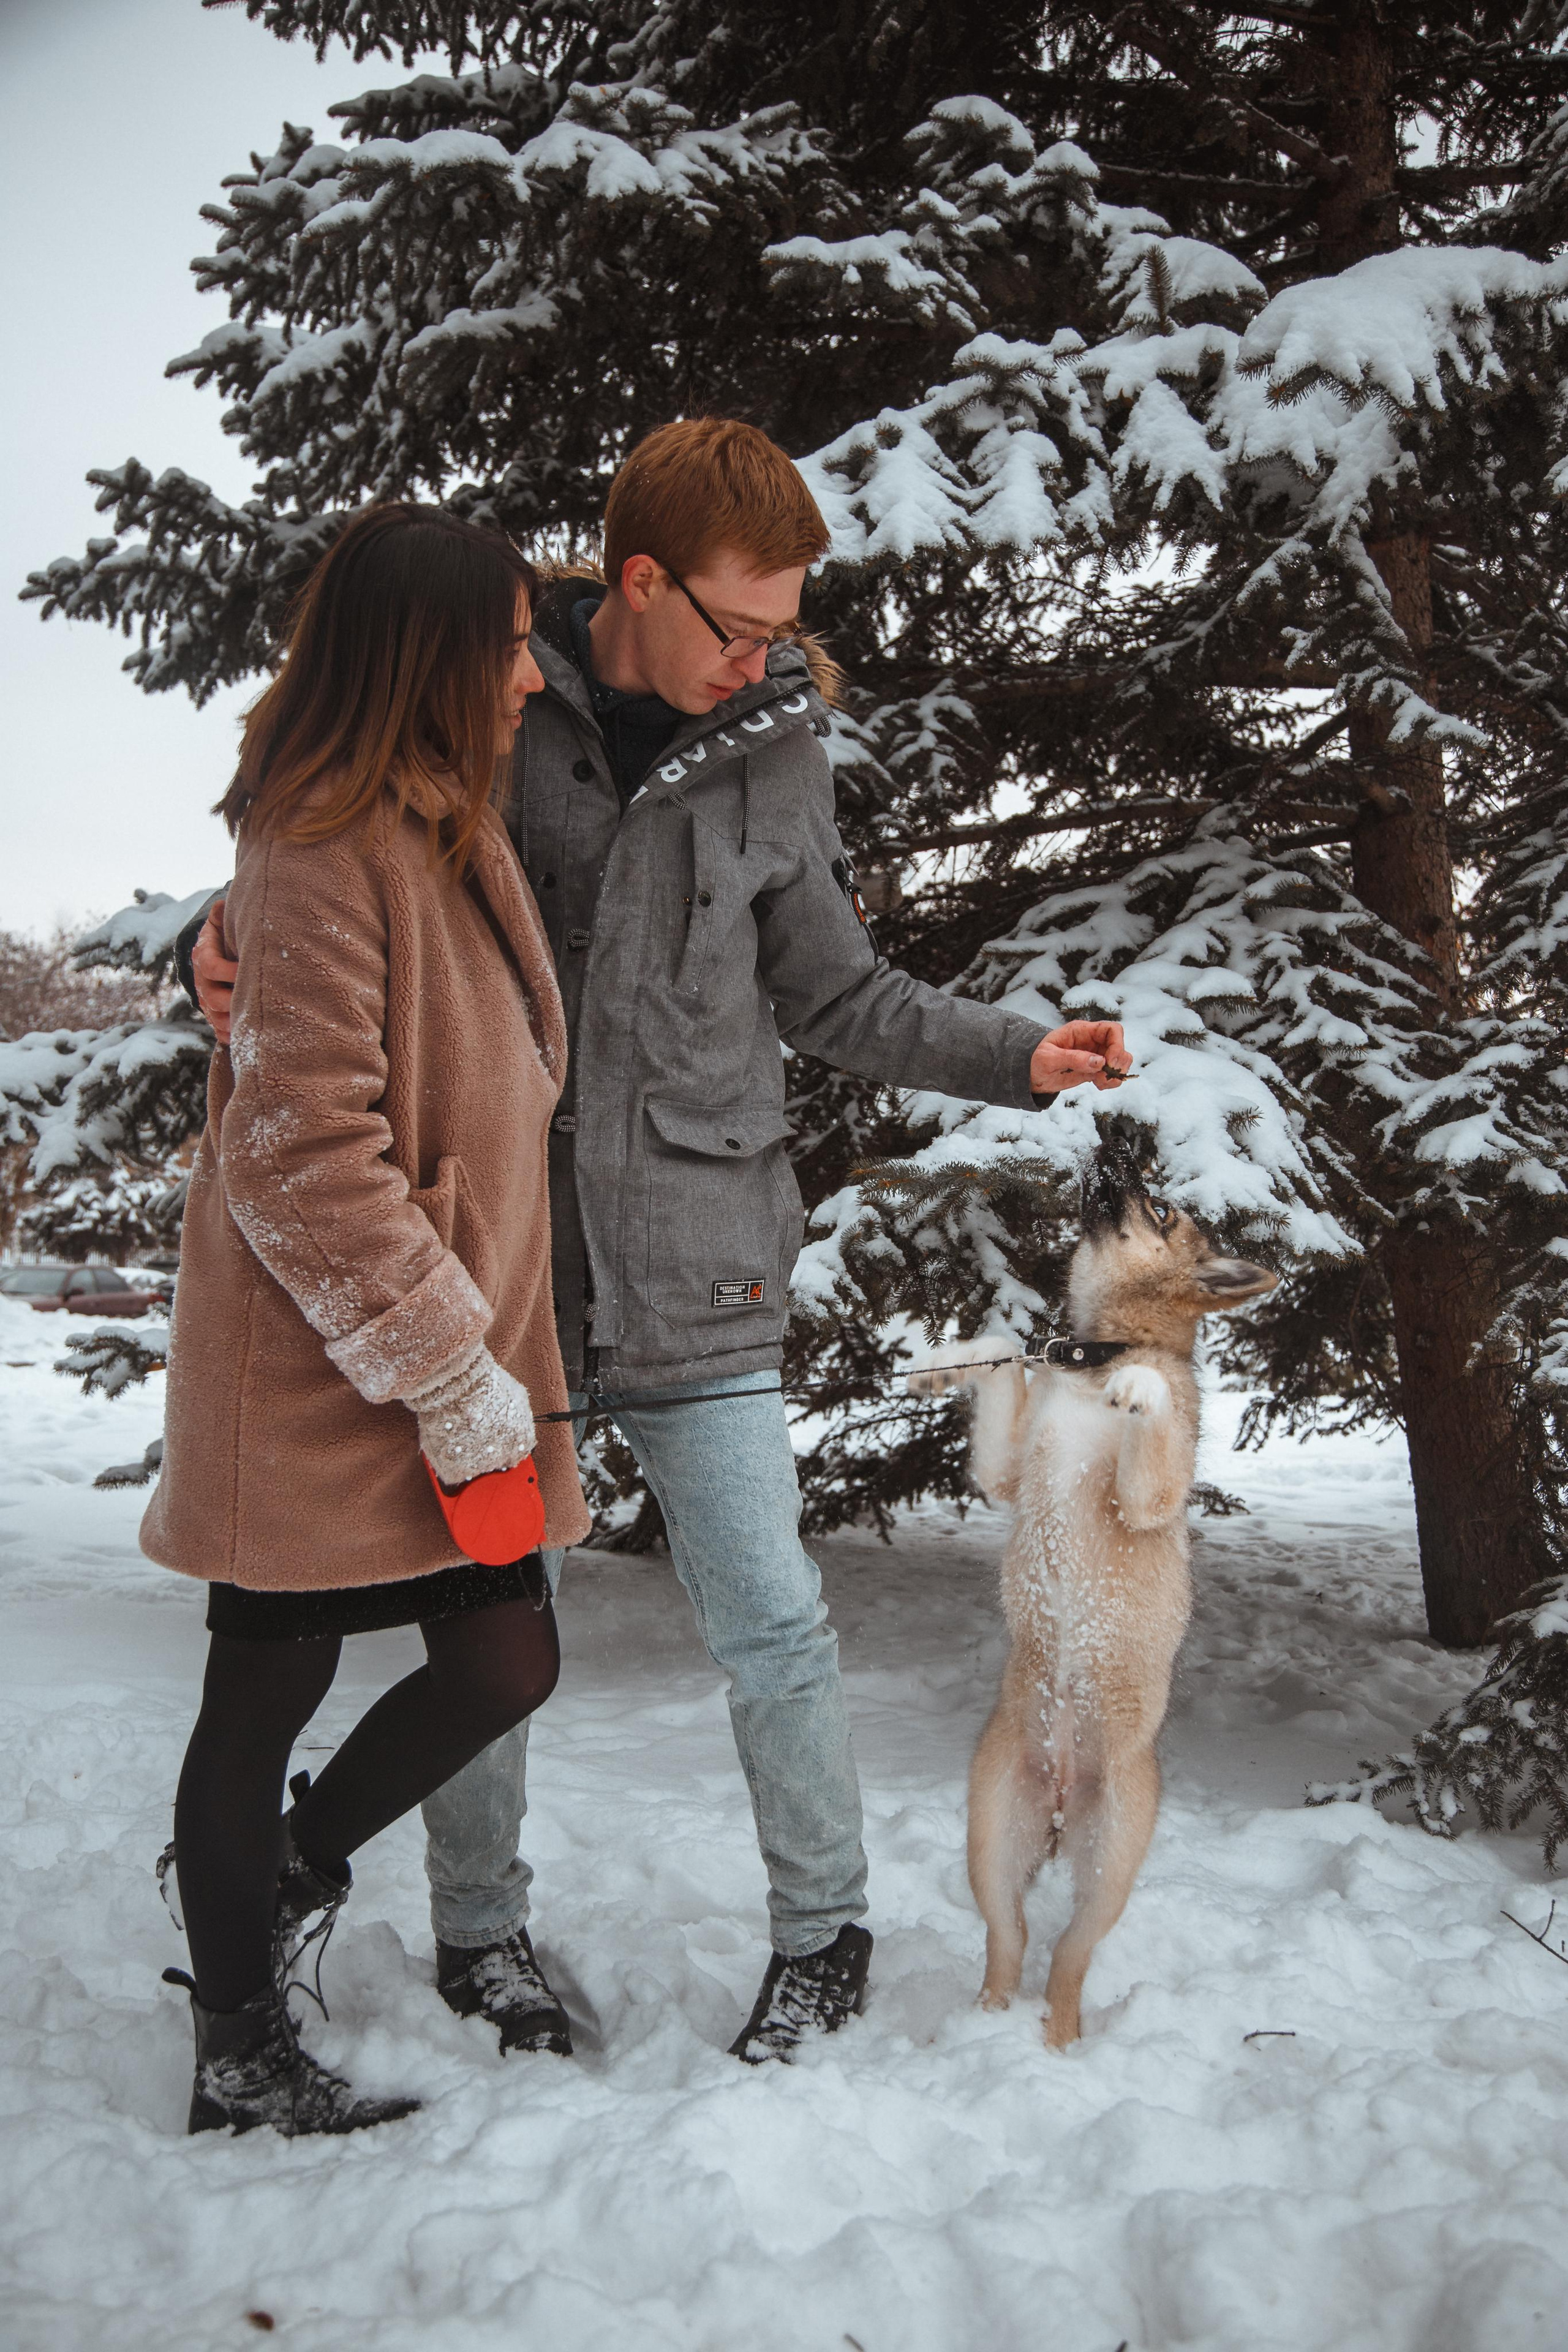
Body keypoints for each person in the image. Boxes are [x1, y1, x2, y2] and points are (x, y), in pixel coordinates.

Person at [187, 419, 1131, 2065]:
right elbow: (339, 861)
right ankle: (483, 1937)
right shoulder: (486, 688)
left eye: (781, 629)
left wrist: (1012, 1052)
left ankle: (824, 1931)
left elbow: (833, 990)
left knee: (768, 1607)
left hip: (699, 1234)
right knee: (483, 1615)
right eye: (739, 626)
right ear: (639, 581)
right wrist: (220, 942)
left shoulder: (773, 750)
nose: (767, 659)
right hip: (492, 1262)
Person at [149, 503, 590, 2137]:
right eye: (504, 647)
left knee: (506, 1654)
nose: (530, 678)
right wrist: (443, 1363)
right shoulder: (327, 838)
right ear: (425, 659)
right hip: (321, 1372)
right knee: (263, 1691)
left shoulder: (432, 825)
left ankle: (282, 1876)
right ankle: (240, 2051)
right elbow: (296, 1147)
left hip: (428, 1360)